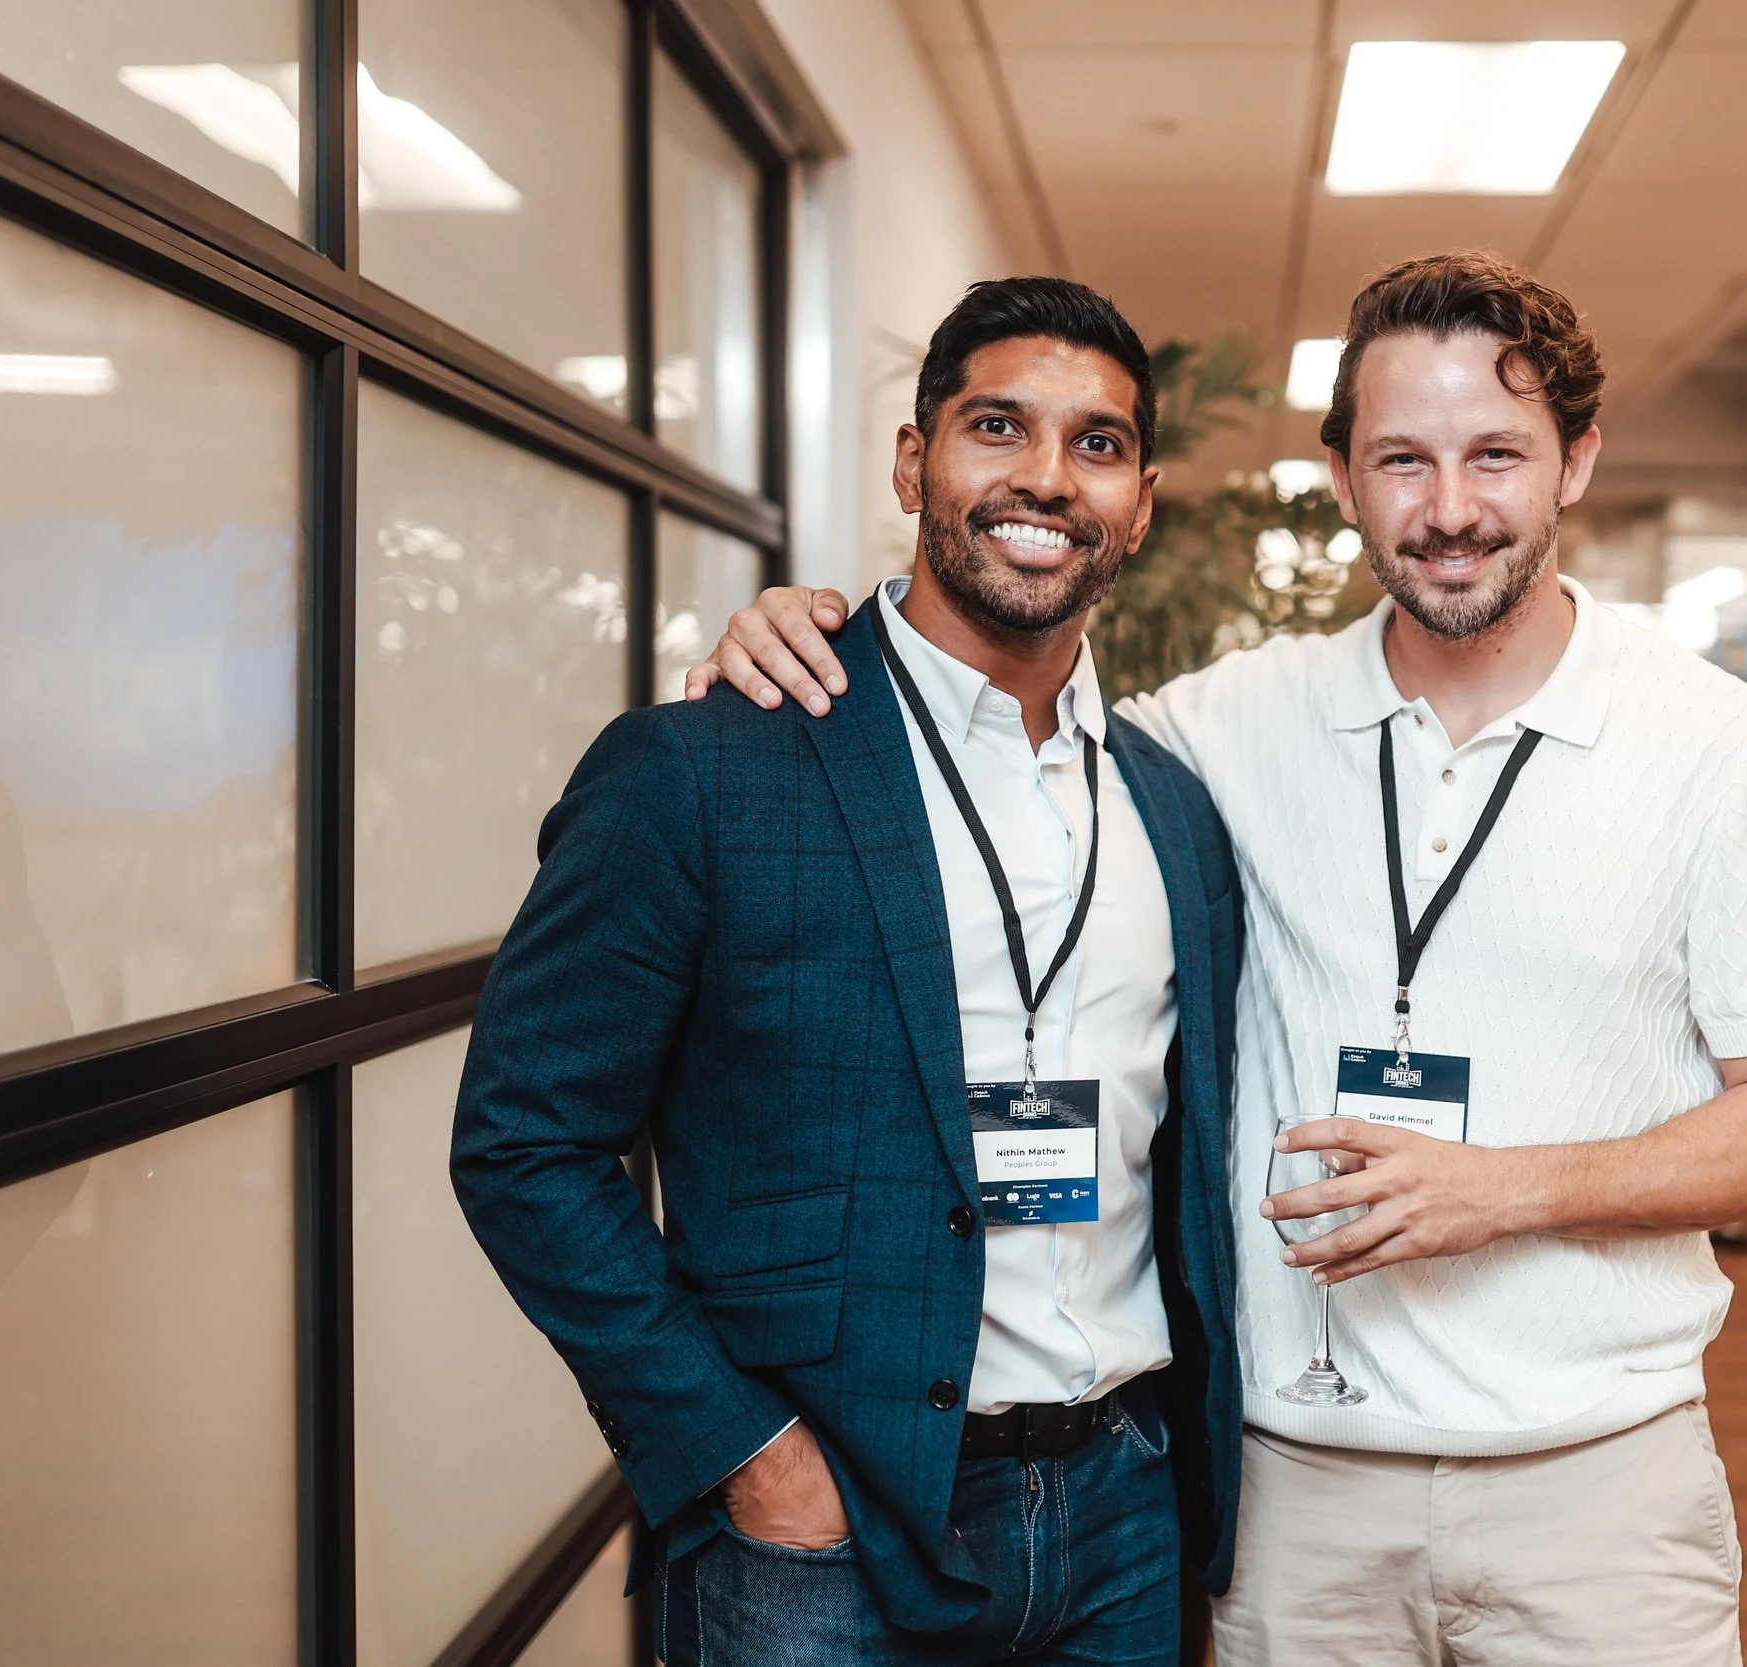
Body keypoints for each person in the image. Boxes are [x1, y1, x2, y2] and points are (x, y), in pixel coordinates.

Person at [690, 251, 1747, 1666]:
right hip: (1297, 1490)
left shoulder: (1716, 744)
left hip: (1599, 1481)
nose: (1450, 509)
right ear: (1343, 478)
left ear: (1577, 461)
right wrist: (807, 634)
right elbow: (1001, 713)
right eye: (1402, 460)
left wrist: (1507, 1190)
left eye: (1497, 455)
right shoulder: (1215, 731)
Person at [453, 276, 1243, 1667]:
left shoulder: (1173, 808)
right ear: (912, 459)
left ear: (1144, 497)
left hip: (1122, 1507)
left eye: (1097, 444)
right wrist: (745, 1451)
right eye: (997, 426)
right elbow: (523, 1140)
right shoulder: (713, 762)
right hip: (831, 1526)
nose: (1045, 478)